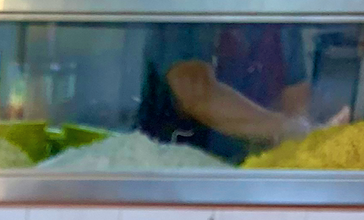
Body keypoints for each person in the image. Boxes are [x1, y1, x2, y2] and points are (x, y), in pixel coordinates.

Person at [139, 23, 337, 162]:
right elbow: (195, 93)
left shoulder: (282, 21)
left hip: (250, 172)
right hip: (174, 169)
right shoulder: (190, 5)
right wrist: (285, 128)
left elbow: (295, 98)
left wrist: (307, 133)